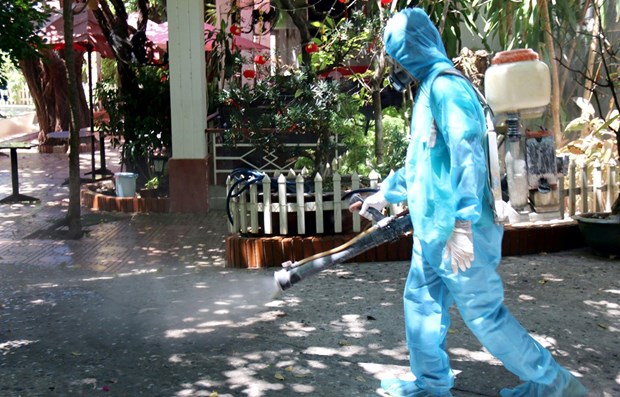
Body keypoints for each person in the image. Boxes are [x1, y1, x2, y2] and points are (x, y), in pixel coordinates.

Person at [350, 7, 588, 397]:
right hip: (432, 230)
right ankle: (430, 383)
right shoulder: (428, 90)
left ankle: (556, 385)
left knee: (485, 316)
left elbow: (467, 156)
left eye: (398, 54)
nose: (397, 65)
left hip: (462, 232)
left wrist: (461, 225)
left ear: (416, 48)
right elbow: (423, 163)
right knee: (422, 305)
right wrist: (384, 193)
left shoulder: (448, 88)